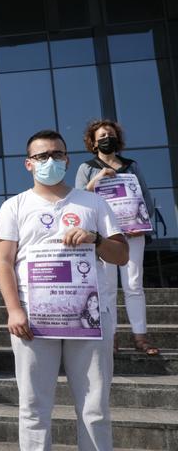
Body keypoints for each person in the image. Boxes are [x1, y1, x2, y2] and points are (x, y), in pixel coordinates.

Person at [0, 130, 128, 450]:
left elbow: (121, 255)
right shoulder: (15, 206)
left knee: (95, 409)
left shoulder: (93, 202)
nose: (50, 161)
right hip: (33, 319)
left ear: (67, 159)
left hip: (89, 316)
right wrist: (14, 310)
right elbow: (3, 263)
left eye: (56, 154)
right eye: (42, 156)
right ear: (28, 164)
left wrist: (95, 239)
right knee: (33, 409)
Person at [75, 119, 158, 356]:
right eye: (101, 136)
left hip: (133, 233)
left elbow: (146, 198)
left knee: (134, 284)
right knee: (108, 286)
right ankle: (110, 337)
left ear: (117, 139)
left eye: (110, 134)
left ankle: (140, 336)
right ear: (93, 142)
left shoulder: (131, 166)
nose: (106, 138)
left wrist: (141, 222)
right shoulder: (87, 167)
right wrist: (98, 178)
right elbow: (79, 199)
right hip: (105, 236)